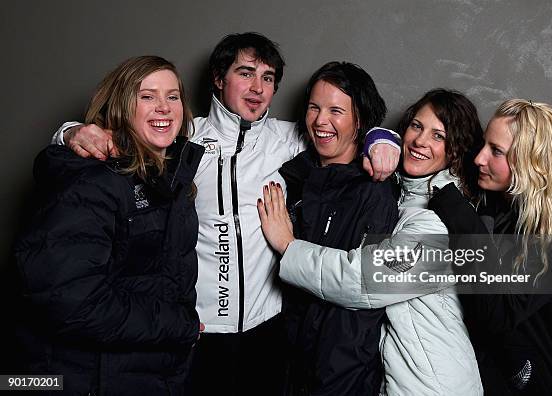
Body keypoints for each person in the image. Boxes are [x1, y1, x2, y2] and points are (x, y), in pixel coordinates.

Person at [50, 33, 400, 395]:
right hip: (195, 329)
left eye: (267, 78)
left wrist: (383, 138)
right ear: (219, 78)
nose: (257, 88)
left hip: (268, 329)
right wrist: (70, 132)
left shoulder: (291, 139)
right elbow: (112, 133)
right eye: (245, 73)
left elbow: (344, 128)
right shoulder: (181, 133)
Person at [258, 89, 484, 395]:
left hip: (433, 386)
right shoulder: (405, 198)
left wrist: (288, 245)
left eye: (438, 136)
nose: (420, 141)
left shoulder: (439, 221)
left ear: (456, 151)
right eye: (416, 127)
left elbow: (362, 279)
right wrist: (379, 138)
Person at [13, 56, 204, 395]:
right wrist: (181, 325)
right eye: (147, 96)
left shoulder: (168, 178)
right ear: (121, 107)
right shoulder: (91, 182)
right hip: (88, 379)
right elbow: (73, 303)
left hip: (147, 374)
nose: (163, 107)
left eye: (172, 96)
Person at [428, 99, 552, 395]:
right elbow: (425, 151)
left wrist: (460, 216)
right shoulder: (495, 202)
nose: (479, 158)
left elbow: (498, 314)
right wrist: (382, 143)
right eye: (485, 145)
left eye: (496, 151)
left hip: (550, 386)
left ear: (531, 164)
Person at [268, 61, 399, 395]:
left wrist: (288, 245)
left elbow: (364, 289)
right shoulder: (295, 175)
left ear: (360, 122)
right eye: (314, 107)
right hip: (288, 365)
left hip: (342, 376)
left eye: (336, 111)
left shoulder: (375, 189)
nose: (321, 121)